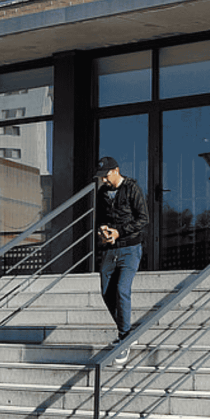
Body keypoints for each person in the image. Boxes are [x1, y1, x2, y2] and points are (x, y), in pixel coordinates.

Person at [94, 156, 149, 365]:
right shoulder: (102, 193)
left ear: (116, 171)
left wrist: (119, 232)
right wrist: (103, 231)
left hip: (130, 248)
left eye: (106, 175)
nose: (104, 180)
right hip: (110, 249)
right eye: (101, 177)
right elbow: (100, 219)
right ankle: (126, 331)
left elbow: (143, 218)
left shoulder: (132, 188)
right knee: (106, 291)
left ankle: (124, 338)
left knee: (122, 289)